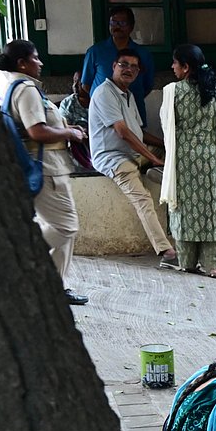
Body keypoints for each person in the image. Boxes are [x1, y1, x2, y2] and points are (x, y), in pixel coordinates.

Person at [0, 40, 89, 306]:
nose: (41, 62)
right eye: (36, 58)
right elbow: (37, 131)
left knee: (64, 230)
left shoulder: (19, 87)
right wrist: (69, 132)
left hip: (52, 166)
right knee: (66, 226)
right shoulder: (25, 90)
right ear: (22, 63)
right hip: (45, 167)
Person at [88, 48, 178, 268]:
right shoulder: (104, 93)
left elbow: (138, 132)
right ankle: (167, 252)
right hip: (114, 158)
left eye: (134, 67)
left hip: (134, 153)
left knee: (177, 155)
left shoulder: (128, 94)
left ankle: (157, 172)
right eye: (124, 64)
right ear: (113, 66)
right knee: (143, 199)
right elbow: (122, 132)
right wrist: (152, 157)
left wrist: (167, 146)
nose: (128, 69)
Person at [159, 44, 216, 278]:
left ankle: (187, 262)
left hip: (183, 155)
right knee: (213, 207)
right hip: (213, 155)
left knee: (185, 208)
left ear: (185, 67)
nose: (172, 67)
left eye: (175, 63)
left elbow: (167, 125)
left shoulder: (172, 90)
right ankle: (214, 266)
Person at [80, 5, 156, 125]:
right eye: (113, 22)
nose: (117, 27)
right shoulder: (95, 51)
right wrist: (105, 98)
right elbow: (86, 85)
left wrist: (126, 98)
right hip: (104, 114)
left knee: (135, 139)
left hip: (133, 109)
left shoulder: (143, 54)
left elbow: (147, 86)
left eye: (122, 23)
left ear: (131, 27)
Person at [57, 71, 94, 171]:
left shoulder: (98, 101)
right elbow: (63, 125)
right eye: (74, 82)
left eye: (80, 83)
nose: (75, 86)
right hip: (77, 141)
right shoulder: (68, 102)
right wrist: (80, 131)